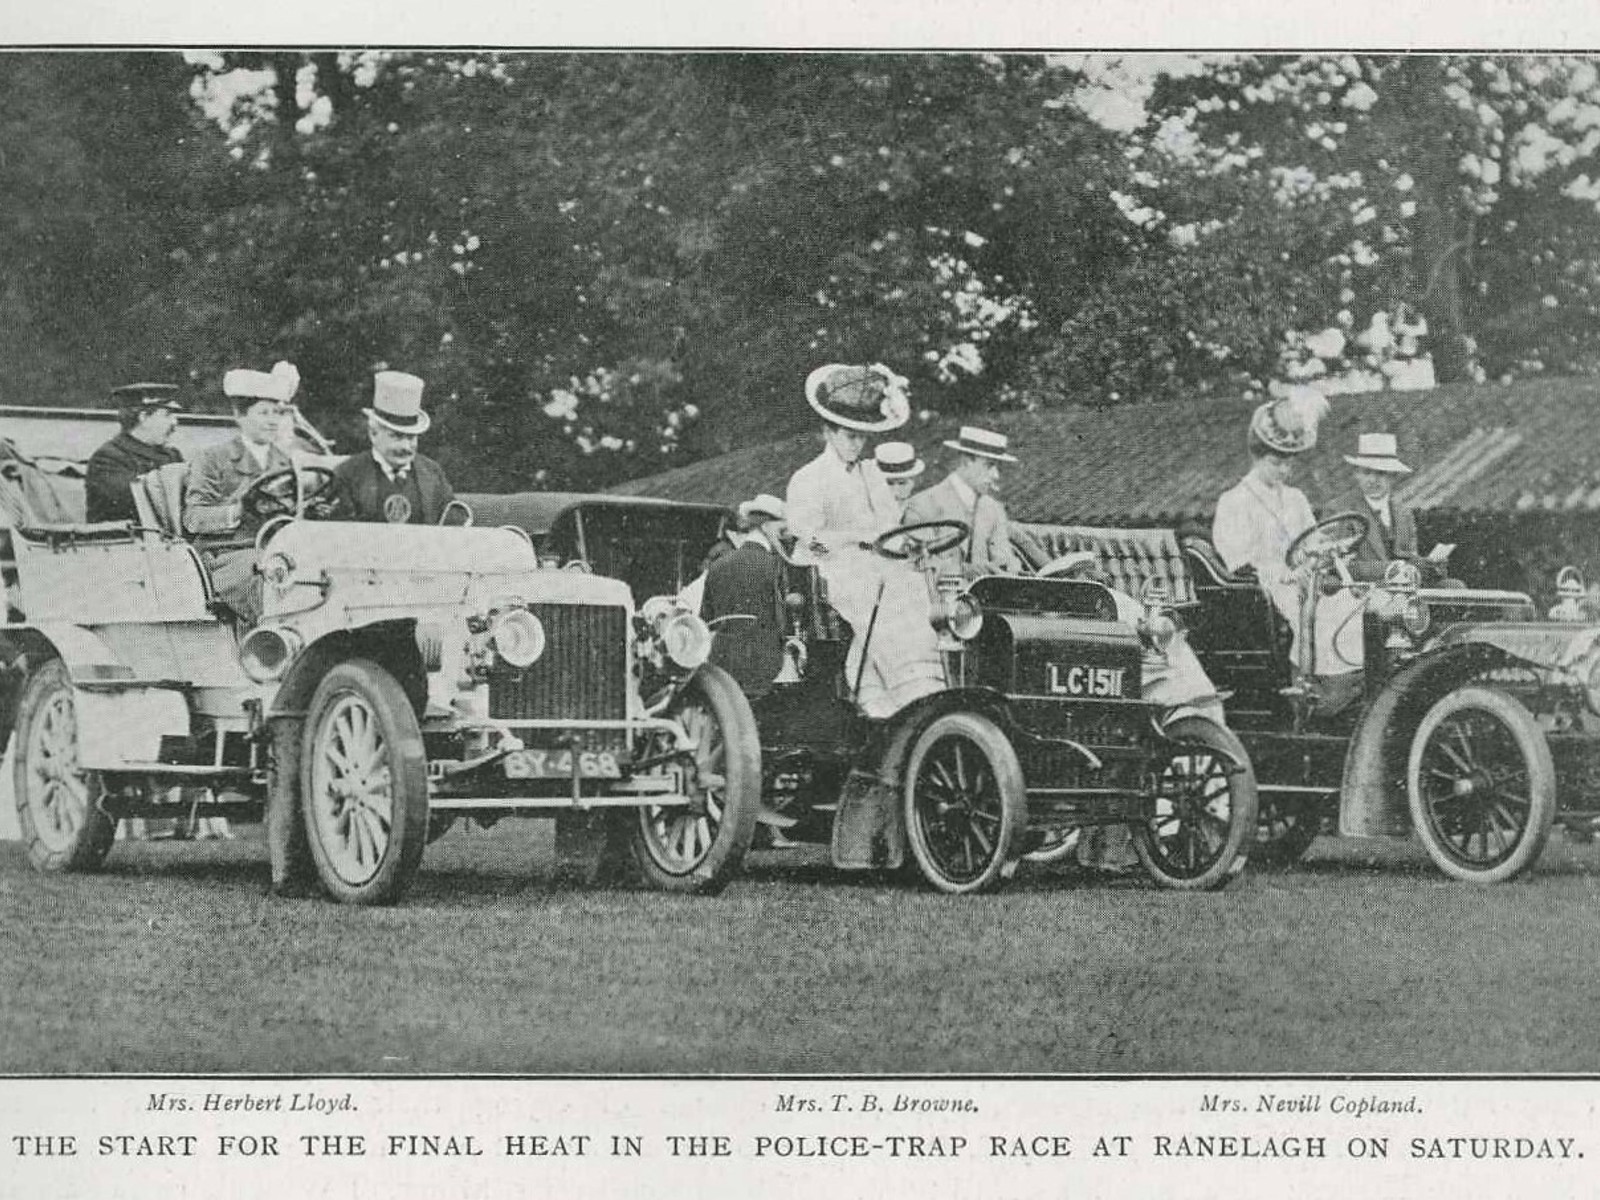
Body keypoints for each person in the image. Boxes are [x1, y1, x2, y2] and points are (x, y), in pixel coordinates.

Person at [785, 362, 943, 718]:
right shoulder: (809, 478)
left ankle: (902, 691)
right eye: (849, 436)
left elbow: (887, 527)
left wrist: (900, 547)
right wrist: (849, 542)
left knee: (916, 589)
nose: (857, 445)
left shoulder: (871, 476)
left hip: (872, 565)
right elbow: (808, 539)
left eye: (862, 437)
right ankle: (903, 692)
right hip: (826, 570)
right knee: (879, 596)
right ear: (828, 431)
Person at [1212, 385, 1364, 697]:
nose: (1284, 470)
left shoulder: (1296, 498)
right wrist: (1286, 574)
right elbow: (1238, 560)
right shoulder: (1235, 500)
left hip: (1307, 580)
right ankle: (1309, 689)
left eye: (1289, 463)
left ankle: (1350, 683)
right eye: (1275, 462)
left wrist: (1324, 553)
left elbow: (1311, 540)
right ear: (1257, 457)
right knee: (1320, 615)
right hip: (1266, 588)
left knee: (1353, 605)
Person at [183, 361, 299, 626]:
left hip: (276, 550)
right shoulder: (213, 459)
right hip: (226, 555)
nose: (273, 421)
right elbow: (193, 518)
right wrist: (237, 511)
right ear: (240, 416)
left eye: (277, 413)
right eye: (264, 413)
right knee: (272, 580)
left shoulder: (286, 462)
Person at [328, 371, 455, 524]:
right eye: (396, 436)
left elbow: (453, 523)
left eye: (411, 437)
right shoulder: (347, 474)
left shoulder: (432, 473)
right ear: (373, 433)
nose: (406, 447)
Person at [901, 425, 1023, 579]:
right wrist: (963, 570)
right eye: (989, 465)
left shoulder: (992, 508)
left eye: (998, 467)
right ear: (966, 462)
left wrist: (1010, 565)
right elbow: (912, 566)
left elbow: (1003, 556)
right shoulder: (923, 505)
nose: (996, 475)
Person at [701, 493, 790, 701]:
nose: (785, 537)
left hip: (721, 665)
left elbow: (707, 618)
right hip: (763, 665)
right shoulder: (775, 565)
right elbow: (781, 621)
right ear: (766, 527)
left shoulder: (717, 565)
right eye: (781, 530)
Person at [84, 383, 185, 523]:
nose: (175, 422)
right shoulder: (107, 459)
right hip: (124, 536)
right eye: (167, 415)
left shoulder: (172, 456)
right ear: (143, 417)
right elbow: (139, 502)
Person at [1337, 431, 1421, 583]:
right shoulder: (1342, 511)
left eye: (1381, 473)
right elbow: (1338, 564)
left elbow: (1411, 557)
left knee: (1453, 586)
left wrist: (1429, 564)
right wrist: (1388, 569)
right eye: (1367, 472)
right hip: (1364, 592)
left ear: (1393, 476)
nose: (1372, 480)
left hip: (1404, 588)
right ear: (1357, 474)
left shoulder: (1404, 514)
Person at [873, 441, 925, 515]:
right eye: (889, 483)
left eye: (902, 483)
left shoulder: (923, 512)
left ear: (913, 482)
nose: (896, 492)